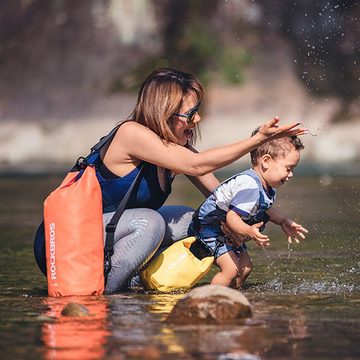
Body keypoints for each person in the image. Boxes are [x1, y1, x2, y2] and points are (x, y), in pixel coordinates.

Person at [34, 68, 306, 294]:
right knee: (148, 222)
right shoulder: (131, 134)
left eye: (197, 110)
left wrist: (273, 219)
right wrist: (257, 140)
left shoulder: (176, 149)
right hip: (66, 240)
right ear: (163, 112)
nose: (197, 119)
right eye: (190, 114)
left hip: (109, 237)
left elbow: (222, 195)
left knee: (196, 218)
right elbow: (196, 164)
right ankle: (106, 294)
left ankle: (147, 284)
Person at [190, 129, 308, 288]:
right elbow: (232, 216)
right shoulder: (250, 185)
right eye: (288, 168)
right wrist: (249, 231)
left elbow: (264, 209)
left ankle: (233, 295)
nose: (291, 174)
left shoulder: (264, 186)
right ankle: (210, 299)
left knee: (246, 267)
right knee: (230, 269)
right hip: (209, 227)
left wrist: (283, 221)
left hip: (227, 227)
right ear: (266, 161)